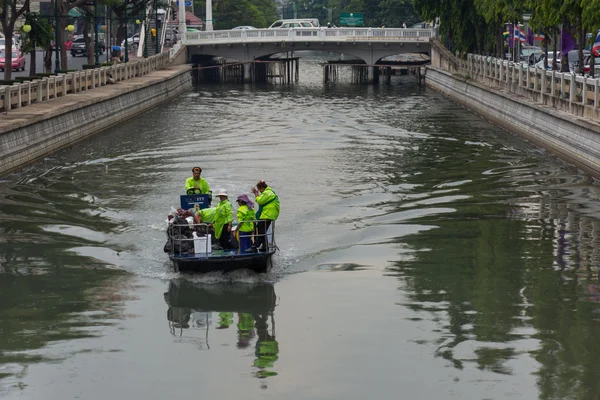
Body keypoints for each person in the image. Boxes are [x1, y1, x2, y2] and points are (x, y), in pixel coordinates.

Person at [247, 180, 279, 253]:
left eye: (259, 190)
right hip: (268, 214)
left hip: (267, 214)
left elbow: (260, 201)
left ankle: (254, 247)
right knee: (263, 231)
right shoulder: (268, 192)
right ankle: (265, 247)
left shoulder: (267, 193)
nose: (260, 192)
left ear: (262, 188)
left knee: (261, 231)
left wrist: (256, 194)